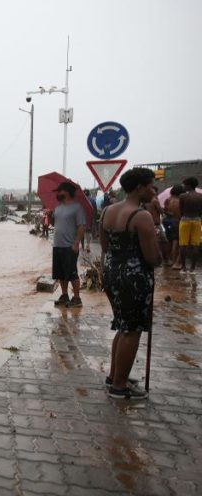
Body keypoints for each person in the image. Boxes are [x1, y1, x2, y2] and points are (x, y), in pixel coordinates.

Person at [100, 168, 161, 399]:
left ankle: (115, 376)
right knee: (132, 329)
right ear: (138, 187)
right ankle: (119, 386)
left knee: (122, 325)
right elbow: (152, 257)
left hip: (112, 273)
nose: (153, 191)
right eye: (150, 186)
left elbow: (105, 246)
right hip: (135, 278)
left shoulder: (107, 211)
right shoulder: (141, 216)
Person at [50, 181, 86, 308]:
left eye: (60, 191)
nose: (58, 193)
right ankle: (64, 295)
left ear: (68, 192)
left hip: (69, 246)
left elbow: (81, 227)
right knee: (60, 273)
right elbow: (54, 224)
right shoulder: (58, 207)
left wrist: (76, 243)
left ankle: (77, 298)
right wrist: (49, 215)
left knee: (72, 273)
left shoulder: (77, 207)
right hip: (57, 245)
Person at [178, 177, 202, 271]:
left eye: (184, 184)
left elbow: (181, 210)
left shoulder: (182, 196)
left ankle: (183, 267)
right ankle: (192, 268)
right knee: (195, 245)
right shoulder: (200, 196)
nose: (183, 186)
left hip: (185, 220)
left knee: (183, 244)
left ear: (188, 185)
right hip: (197, 220)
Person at [145, 186, 168, 265]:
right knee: (162, 241)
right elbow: (161, 211)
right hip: (156, 225)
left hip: (150, 224)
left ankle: (158, 260)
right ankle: (161, 260)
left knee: (155, 242)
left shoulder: (145, 202)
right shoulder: (154, 201)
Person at [164, 184, 183, 269]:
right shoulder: (181, 200)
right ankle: (174, 261)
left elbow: (165, 210)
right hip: (176, 221)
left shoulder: (168, 199)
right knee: (176, 241)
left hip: (167, 221)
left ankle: (168, 260)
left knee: (169, 241)